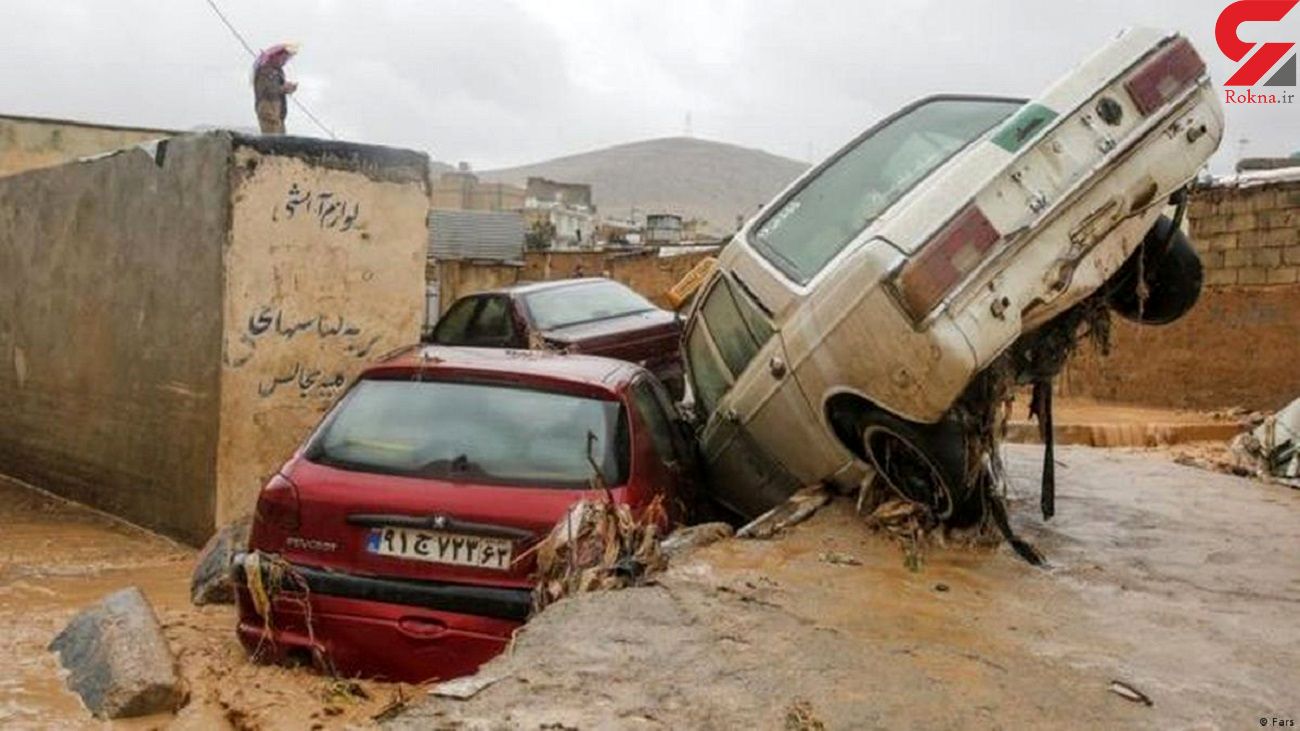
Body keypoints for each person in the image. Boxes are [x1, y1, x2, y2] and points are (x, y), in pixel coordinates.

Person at [253, 44, 298, 135]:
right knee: (272, 137)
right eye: (283, 58)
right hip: (268, 107)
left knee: (281, 138)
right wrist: (283, 88)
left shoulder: (277, 71)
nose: (284, 61)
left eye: (286, 59)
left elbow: (276, 89)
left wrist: (288, 88)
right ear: (274, 57)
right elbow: (267, 90)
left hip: (278, 109)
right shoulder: (265, 71)